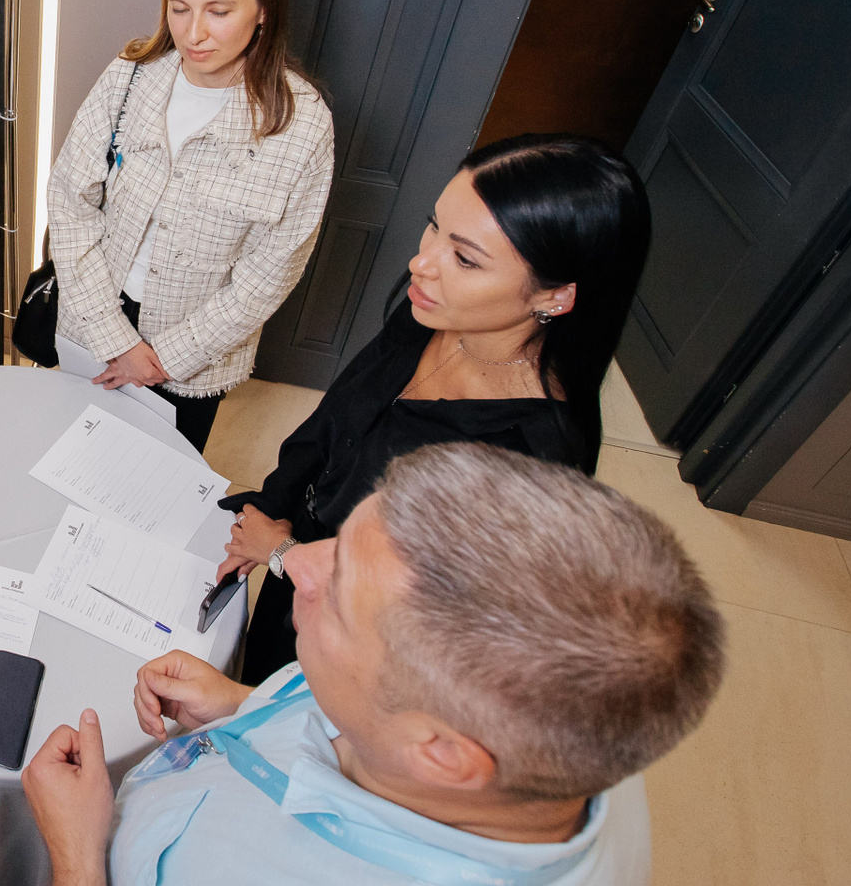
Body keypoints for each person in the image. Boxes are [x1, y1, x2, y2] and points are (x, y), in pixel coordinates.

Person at [22, 441, 725, 886]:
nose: (296, 564)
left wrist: (77, 856)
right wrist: (246, 703)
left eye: (340, 598)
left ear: (442, 753)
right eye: (343, 540)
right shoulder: (575, 723)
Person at [220, 133, 651, 683]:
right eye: (434, 226)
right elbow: (332, 424)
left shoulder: (527, 459)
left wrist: (282, 554)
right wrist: (273, 506)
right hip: (291, 569)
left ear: (555, 296)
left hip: (346, 647)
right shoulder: (432, 313)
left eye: (465, 259)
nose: (420, 264)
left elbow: (418, 613)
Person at [46, 0, 334, 452]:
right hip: (94, 316)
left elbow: (270, 273)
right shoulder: (130, 75)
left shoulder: (303, 125)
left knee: (159, 478)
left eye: (218, 11)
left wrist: (164, 359)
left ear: (264, 10)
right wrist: (112, 335)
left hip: (195, 353)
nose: (193, 33)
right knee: (76, 456)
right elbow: (69, 201)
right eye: (179, 8)